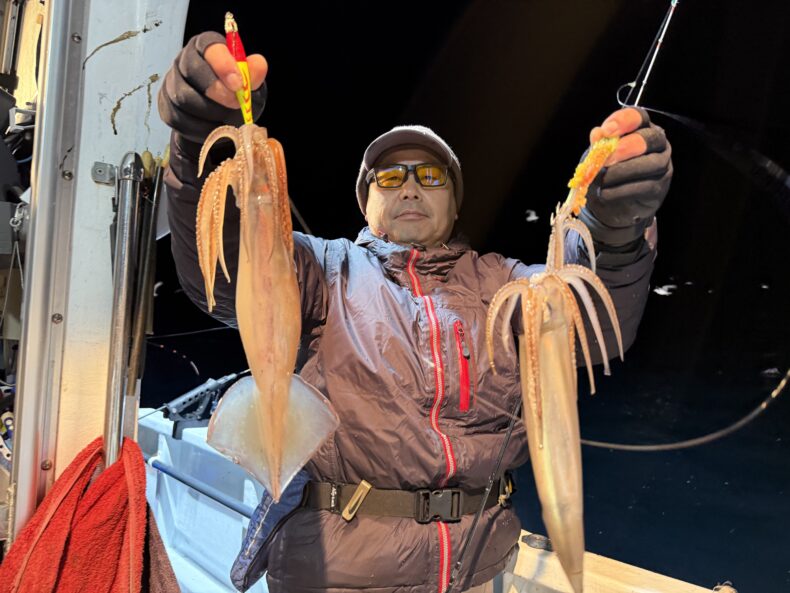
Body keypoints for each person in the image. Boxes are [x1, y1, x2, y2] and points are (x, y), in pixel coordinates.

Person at [158, 32, 672, 593]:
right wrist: (200, 138)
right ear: (366, 202)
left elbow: (586, 319)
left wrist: (613, 226)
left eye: (430, 177)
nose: (409, 188)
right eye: (390, 176)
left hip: (475, 569)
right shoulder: (320, 271)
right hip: (335, 574)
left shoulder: (506, 284)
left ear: (454, 203)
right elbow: (230, 267)